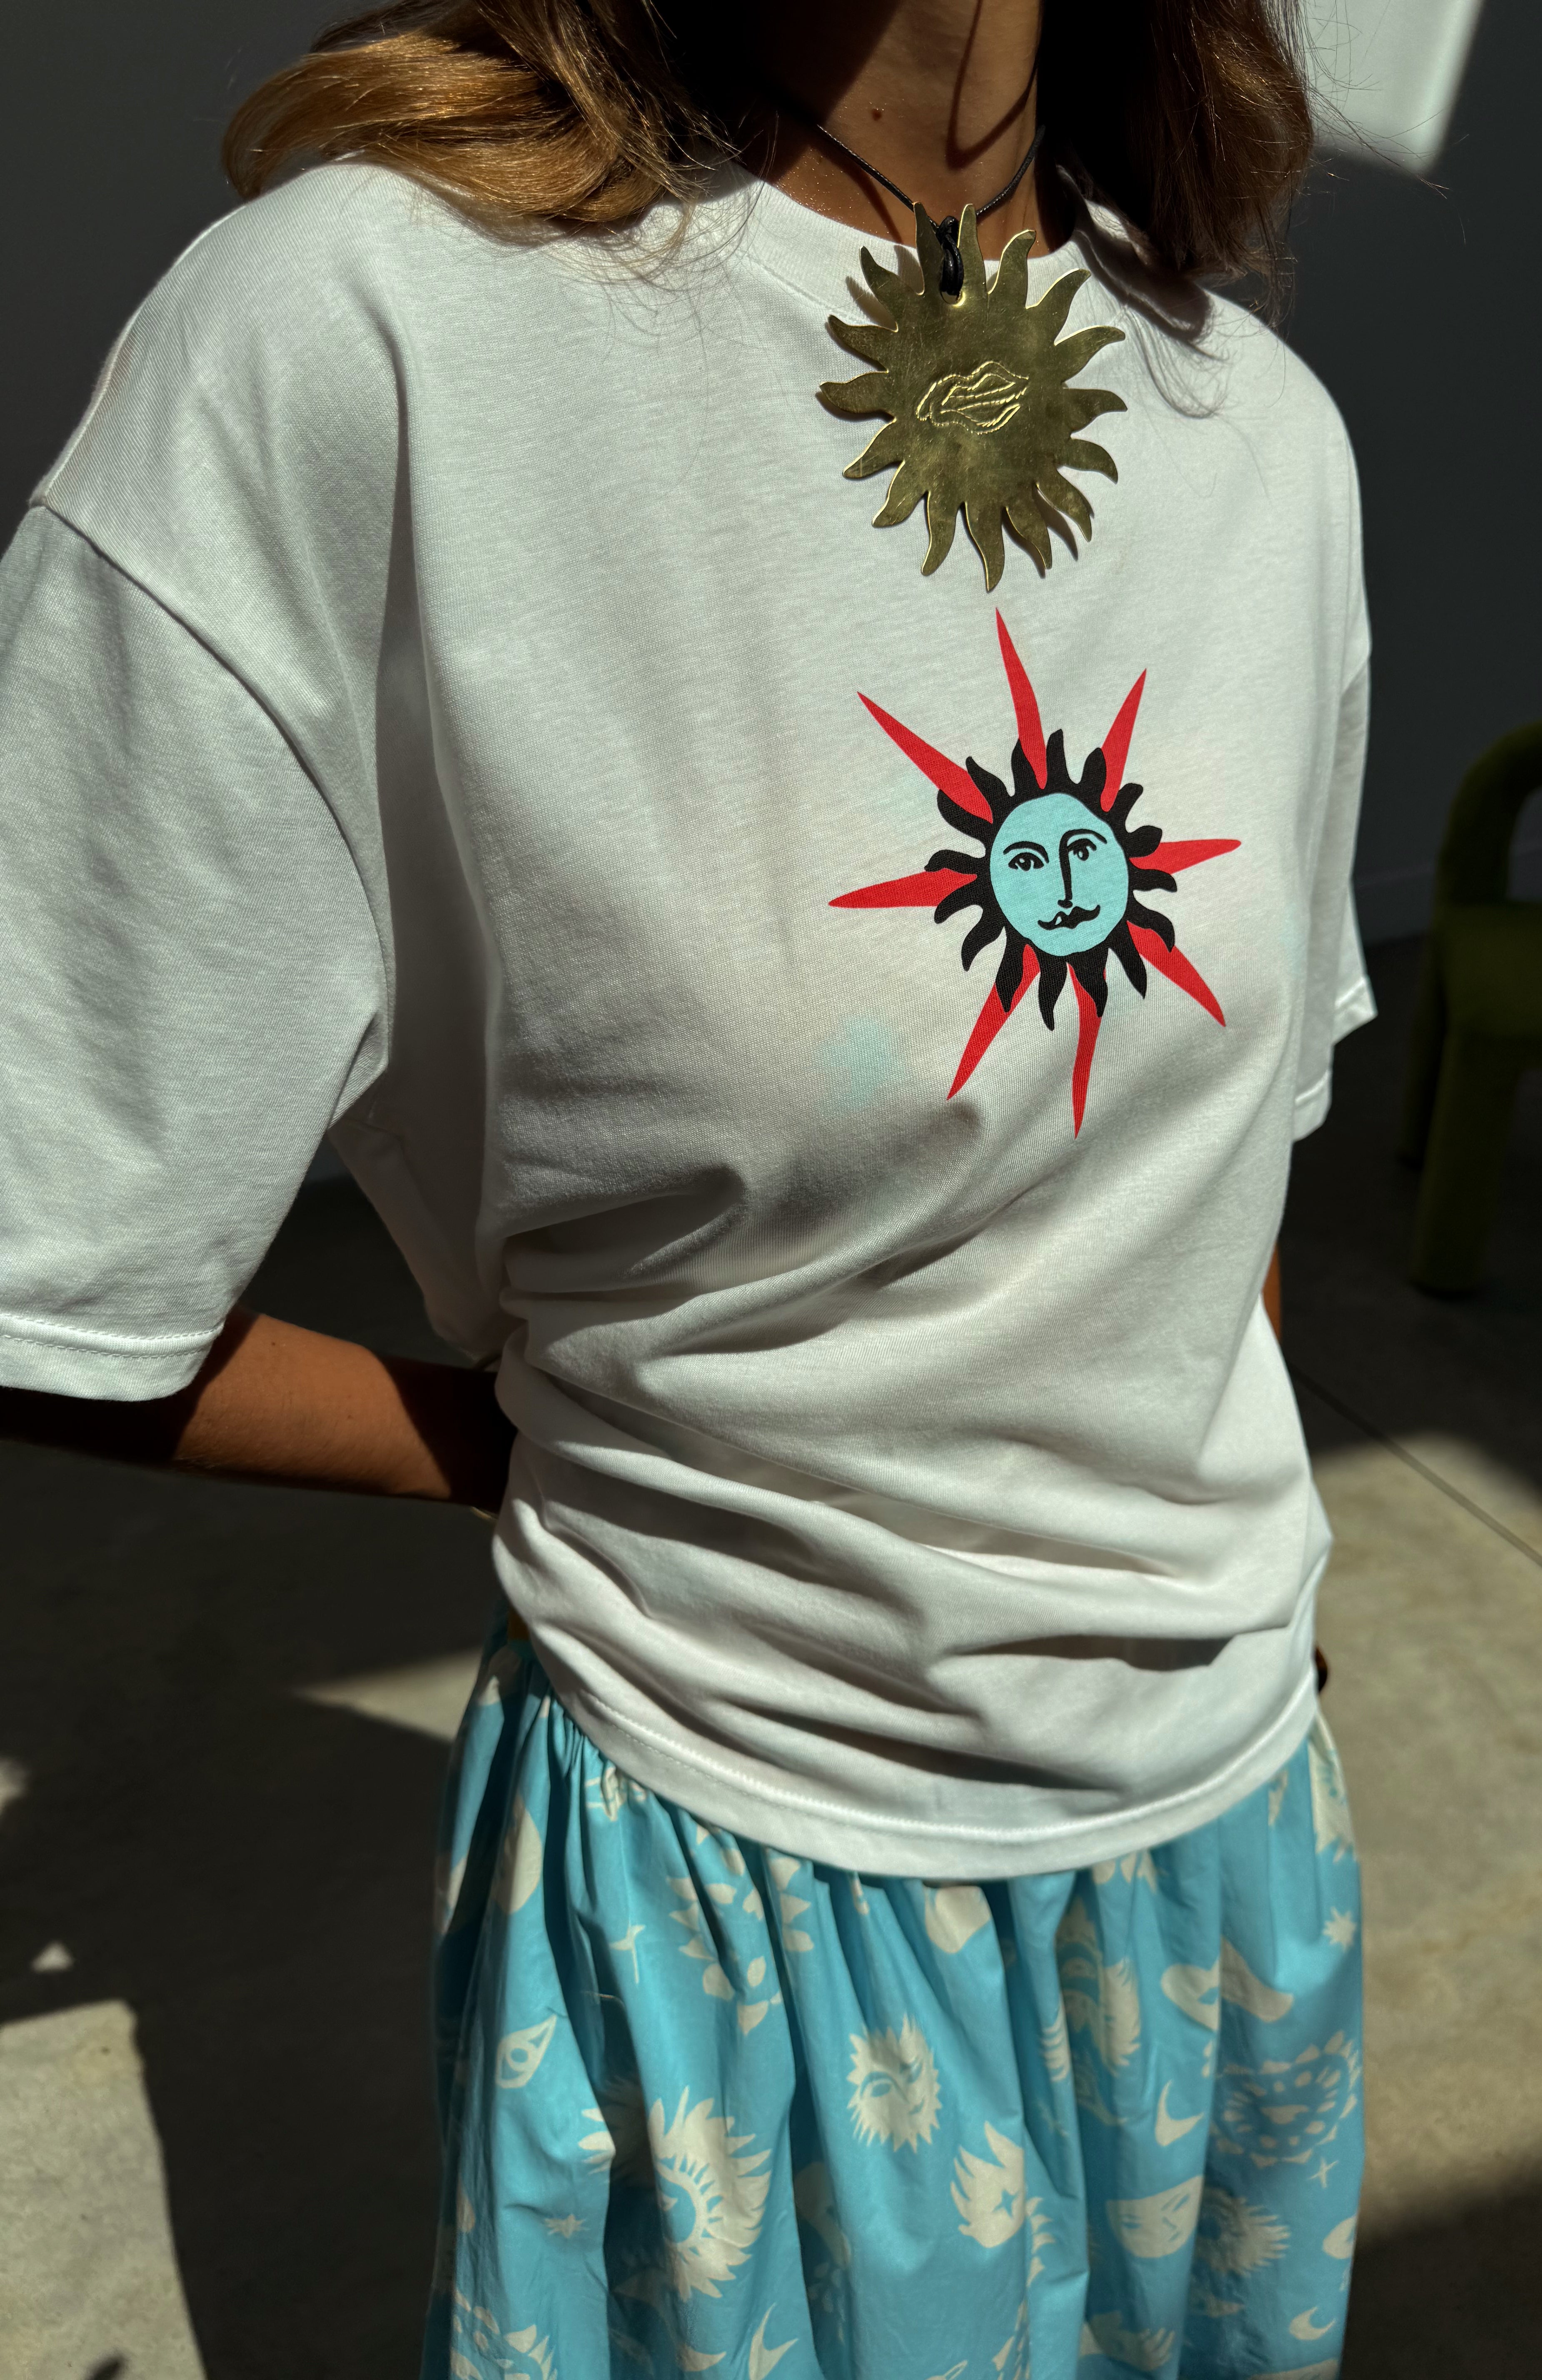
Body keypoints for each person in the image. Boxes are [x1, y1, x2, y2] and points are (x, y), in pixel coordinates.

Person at [0, 2, 1373, 2372]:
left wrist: (1232, 1537)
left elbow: (1221, 1150)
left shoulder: (1258, 427)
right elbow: (49, 1252)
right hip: (748, 1889)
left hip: (1232, 1850)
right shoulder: (366, 338)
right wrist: (530, 1444)